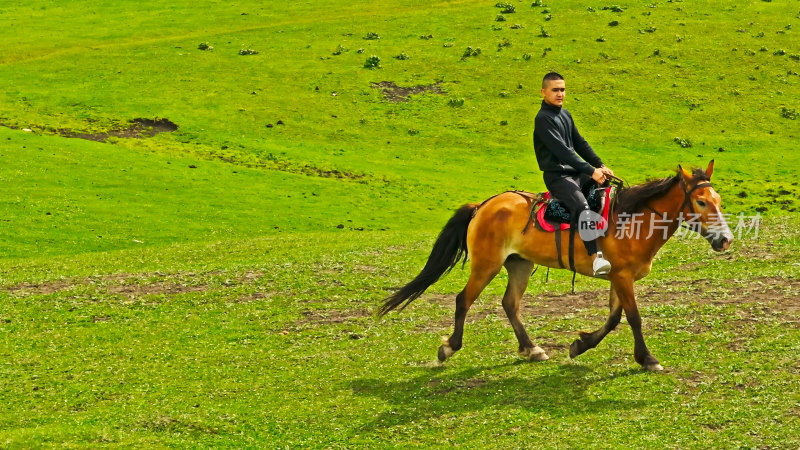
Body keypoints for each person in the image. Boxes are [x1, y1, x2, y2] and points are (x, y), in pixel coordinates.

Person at [533, 72, 614, 276]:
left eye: (562, 89)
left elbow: (580, 144)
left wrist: (600, 165)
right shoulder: (543, 119)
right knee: (582, 205)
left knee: (607, 191)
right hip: (558, 178)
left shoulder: (565, 115)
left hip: (577, 173)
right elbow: (563, 152)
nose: (560, 94)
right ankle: (595, 257)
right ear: (543, 92)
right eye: (555, 90)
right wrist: (591, 171)